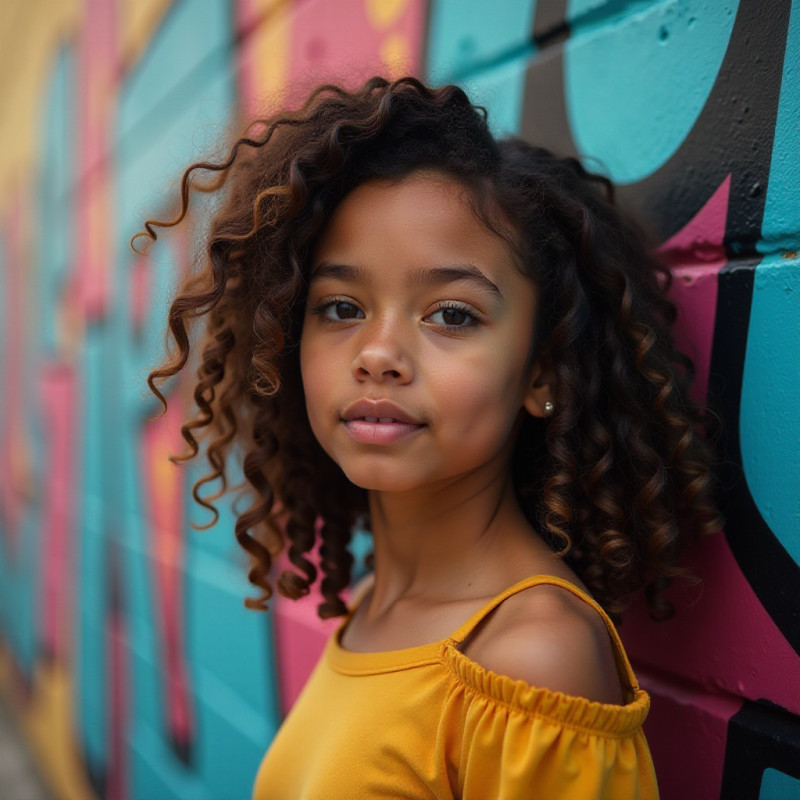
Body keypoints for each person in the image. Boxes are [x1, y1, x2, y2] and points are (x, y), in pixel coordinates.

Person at [136, 76, 720, 799]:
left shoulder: (532, 662)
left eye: (451, 315)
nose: (378, 353)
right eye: (341, 306)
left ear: (543, 370)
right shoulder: (373, 599)